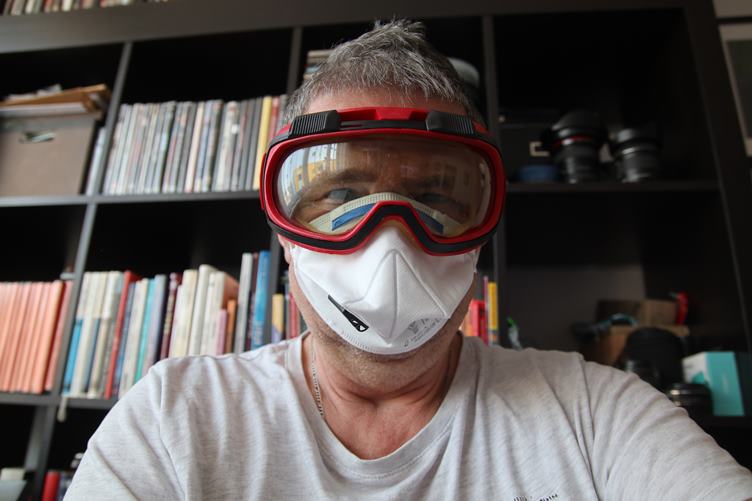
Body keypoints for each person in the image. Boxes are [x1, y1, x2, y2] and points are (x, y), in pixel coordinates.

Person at [66, 20, 752, 500]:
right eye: (341, 195)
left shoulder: (599, 417)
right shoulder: (175, 420)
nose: (389, 239)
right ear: (284, 230)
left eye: (437, 196)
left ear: (481, 230)